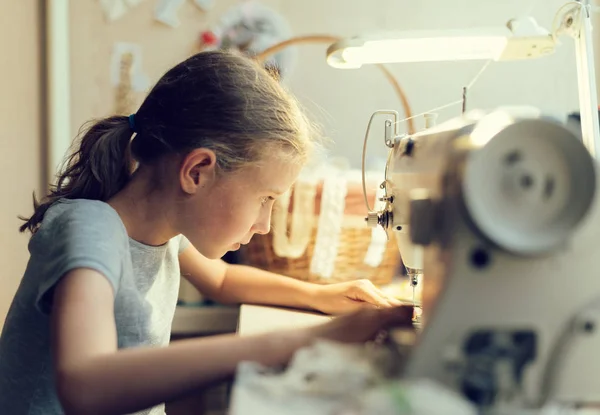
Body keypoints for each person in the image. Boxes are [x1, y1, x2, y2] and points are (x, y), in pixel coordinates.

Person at [0, 50, 412, 415]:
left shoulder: (164, 230)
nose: (265, 224)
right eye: (265, 198)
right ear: (197, 172)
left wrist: (323, 296)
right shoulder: (90, 229)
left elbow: (223, 278)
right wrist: (301, 341)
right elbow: (84, 386)